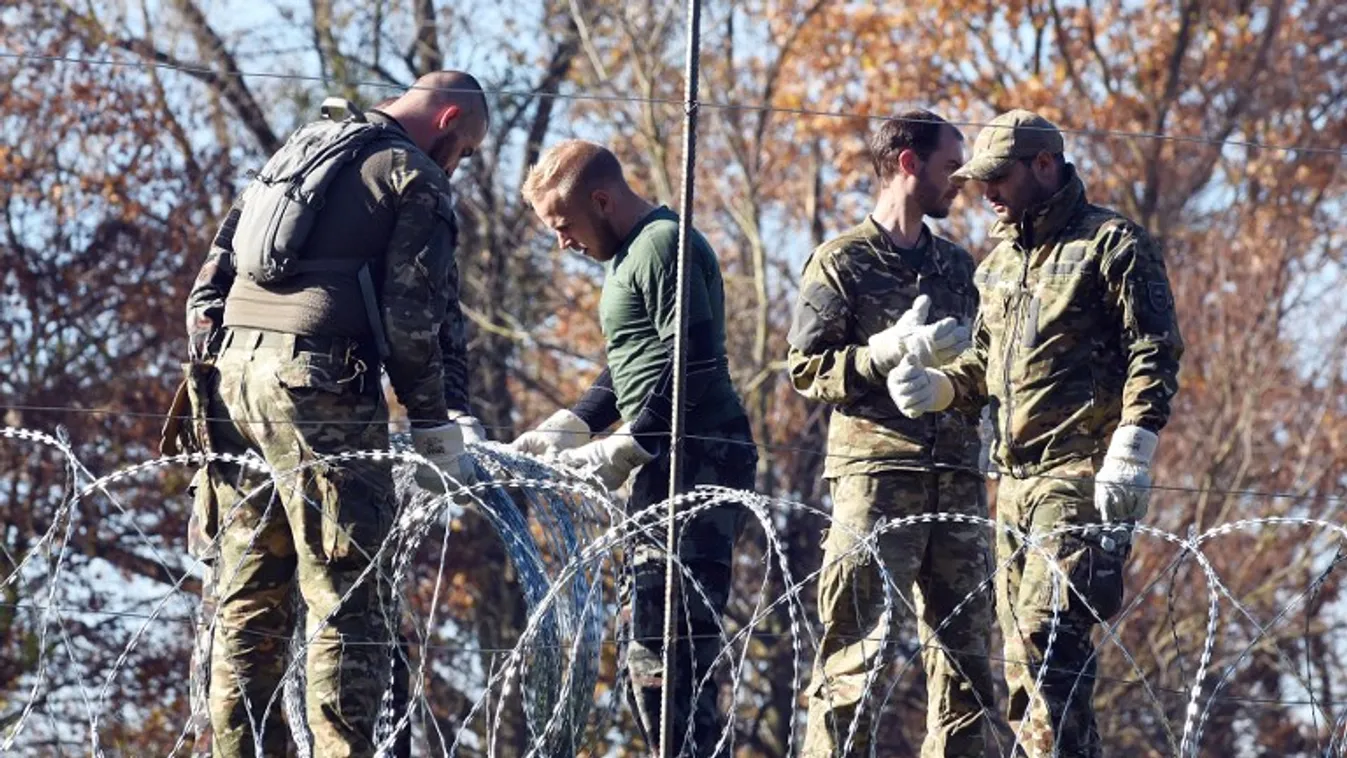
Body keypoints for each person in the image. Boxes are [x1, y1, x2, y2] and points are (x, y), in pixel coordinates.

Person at [181, 70, 489, 757]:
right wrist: (434, 421)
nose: (458, 165)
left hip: (232, 382)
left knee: (247, 598)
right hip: (318, 386)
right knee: (348, 598)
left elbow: (211, 277)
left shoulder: (305, 146)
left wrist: (216, 370)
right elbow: (415, 319)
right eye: (464, 150)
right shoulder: (412, 177)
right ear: (446, 122)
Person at [888, 109, 1184, 756]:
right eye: (978, 180)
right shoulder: (995, 268)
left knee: (1046, 641)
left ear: (1043, 166)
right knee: (1030, 674)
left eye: (997, 178)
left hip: (1080, 477)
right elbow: (983, 369)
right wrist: (937, 387)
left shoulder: (1111, 245)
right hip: (1013, 487)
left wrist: (1134, 444)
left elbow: (1154, 347)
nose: (985, 193)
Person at [512, 139, 757, 756]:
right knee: (646, 661)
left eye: (564, 226)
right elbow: (631, 370)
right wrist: (575, 422)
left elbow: (695, 362)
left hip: (698, 456)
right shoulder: (627, 259)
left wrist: (631, 444)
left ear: (601, 199)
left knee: (671, 657)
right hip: (665, 458)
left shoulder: (661, 246)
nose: (562, 243)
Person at [787, 110, 997, 757]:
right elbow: (805, 367)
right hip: (876, 481)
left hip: (955, 478)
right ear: (907, 163)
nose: (958, 180)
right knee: (859, 660)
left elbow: (983, 361)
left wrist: (948, 379)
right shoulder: (841, 263)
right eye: (947, 166)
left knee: (966, 670)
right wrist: (876, 356)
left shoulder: (958, 268)